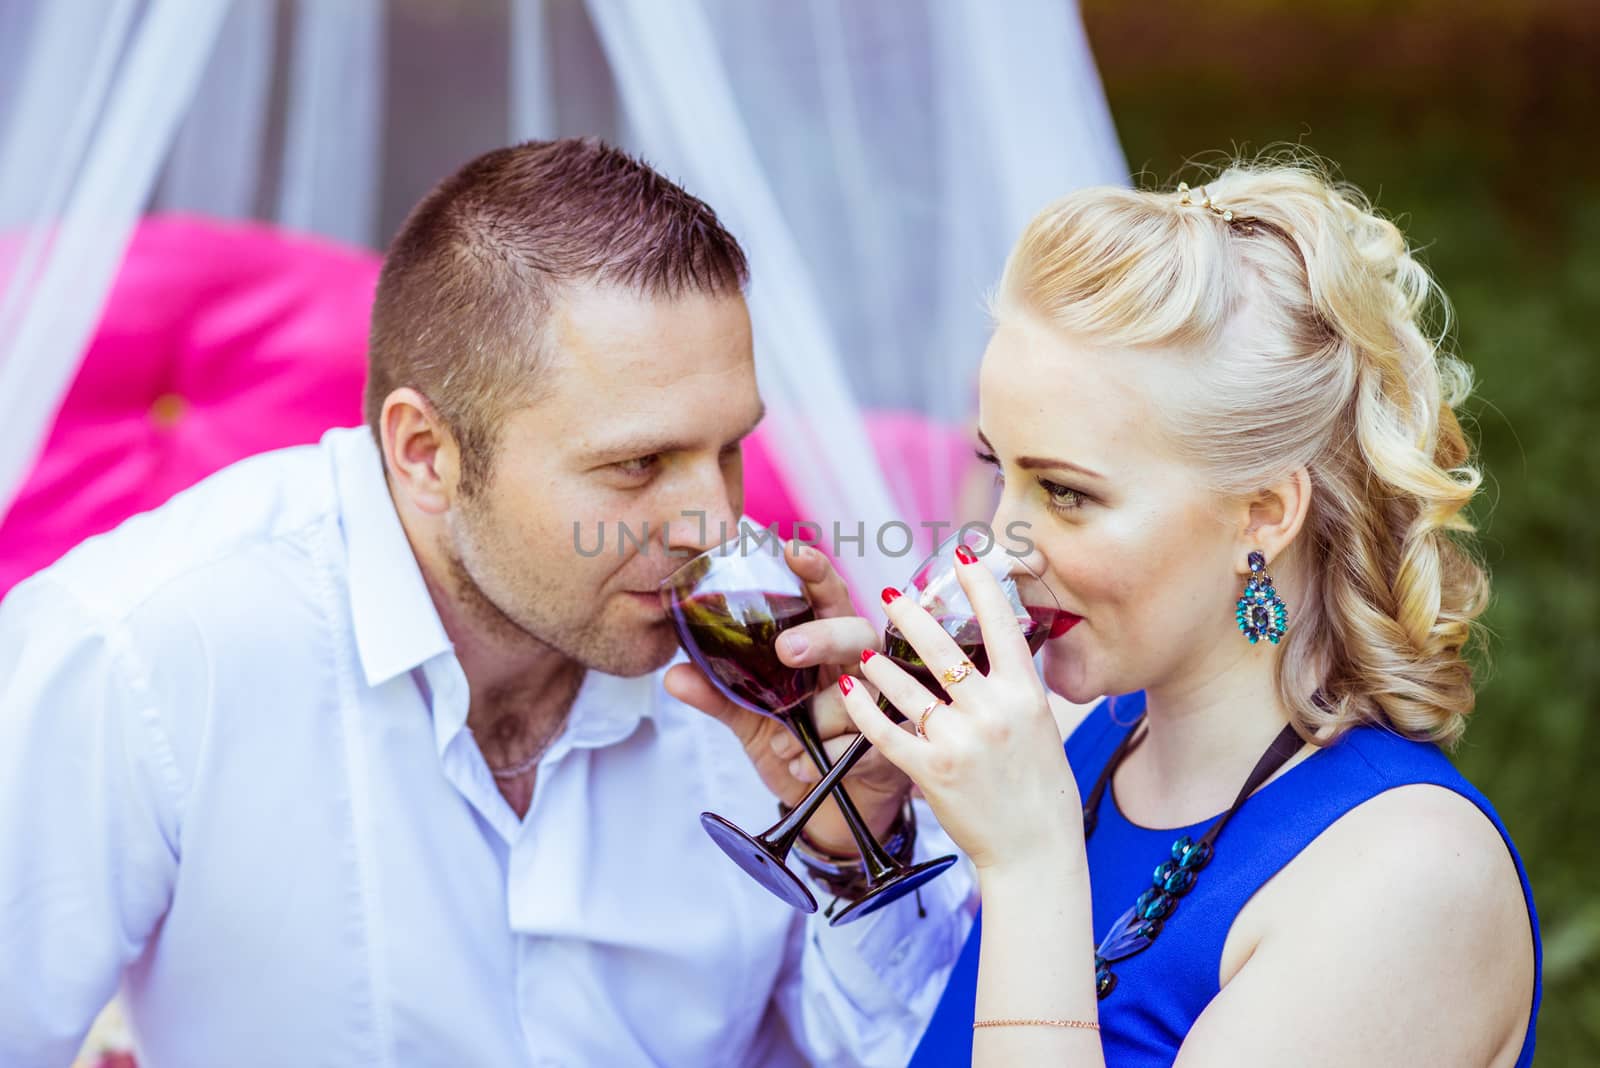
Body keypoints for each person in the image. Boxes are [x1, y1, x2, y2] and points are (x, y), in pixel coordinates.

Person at [0, 138, 969, 1067]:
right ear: (426, 452)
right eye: (637, 463)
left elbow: (912, 1053)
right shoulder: (139, 653)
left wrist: (855, 840)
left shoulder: (764, 670)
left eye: (727, 451)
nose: (714, 525)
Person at [829, 159, 1542, 1065]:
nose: (1002, 541)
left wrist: (1031, 870)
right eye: (998, 471)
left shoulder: (1411, 878)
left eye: (1067, 493)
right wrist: (853, 829)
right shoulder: (1089, 745)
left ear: (1263, 514)